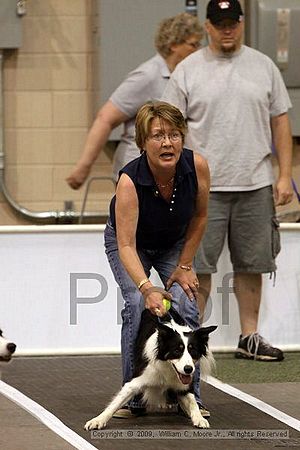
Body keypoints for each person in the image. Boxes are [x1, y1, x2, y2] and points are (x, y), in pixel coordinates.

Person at [162, 0, 294, 361]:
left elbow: (281, 121)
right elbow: (170, 127)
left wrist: (284, 175)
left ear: (241, 24)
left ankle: (249, 336)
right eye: (219, 23)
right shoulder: (188, 70)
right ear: (207, 26)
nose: (227, 30)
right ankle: (189, 338)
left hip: (254, 182)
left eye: (232, 23)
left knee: (252, 264)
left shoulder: (263, 66)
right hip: (204, 187)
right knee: (197, 266)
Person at [104, 101, 210, 418]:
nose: (167, 143)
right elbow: (125, 244)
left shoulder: (198, 167)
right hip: (131, 243)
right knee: (137, 305)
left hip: (173, 243)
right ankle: (134, 397)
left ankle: (189, 396)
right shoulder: (129, 181)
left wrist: (185, 265)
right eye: (157, 136)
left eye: (175, 135)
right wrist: (147, 288)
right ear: (143, 142)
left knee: (188, 302)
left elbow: (201, 217)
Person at [66, 13, 203, 188]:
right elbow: (105, 118)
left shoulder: (186, 76)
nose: (198, 51)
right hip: (137, 173)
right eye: (193, 44)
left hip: (166, 171)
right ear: (174, 44)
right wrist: (83, 167)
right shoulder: (147, 76)